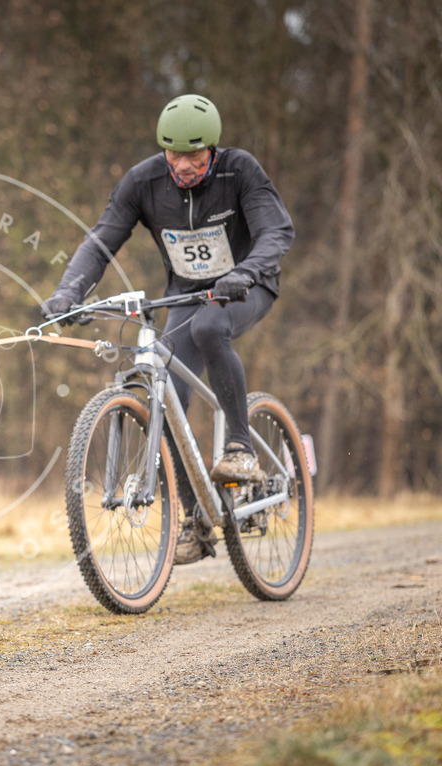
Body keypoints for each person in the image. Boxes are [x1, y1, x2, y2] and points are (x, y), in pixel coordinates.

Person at [41, 94, 294, 562]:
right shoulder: (144, 181)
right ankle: (197, 519)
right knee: (168, 392)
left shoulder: (240, 171)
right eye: (173, 154)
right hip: (185, 292)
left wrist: (245, 272)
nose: (182, 165)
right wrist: (67, 293)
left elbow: (277, 231)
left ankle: (240, 444)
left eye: (193, 156)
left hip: (247, 287)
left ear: (212, 150)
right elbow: (100, 242)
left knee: (210, 327)